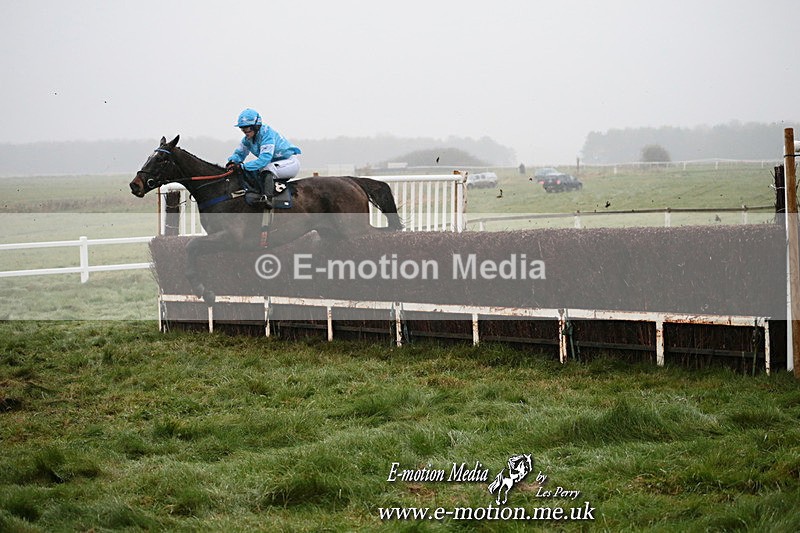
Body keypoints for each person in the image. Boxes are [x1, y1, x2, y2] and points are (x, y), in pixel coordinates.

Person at [226, 108, 301, 208]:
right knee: (254, 171)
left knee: (266, 169)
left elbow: (264, 160)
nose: (244, 131)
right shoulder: (247, 139)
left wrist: (242, 166)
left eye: (247, 128)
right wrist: (232, 162)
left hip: (289, 163)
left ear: (256, 126)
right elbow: (239, 154)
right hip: (274, 164)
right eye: (242, 128)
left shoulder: (267, 134)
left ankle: (268, 198)